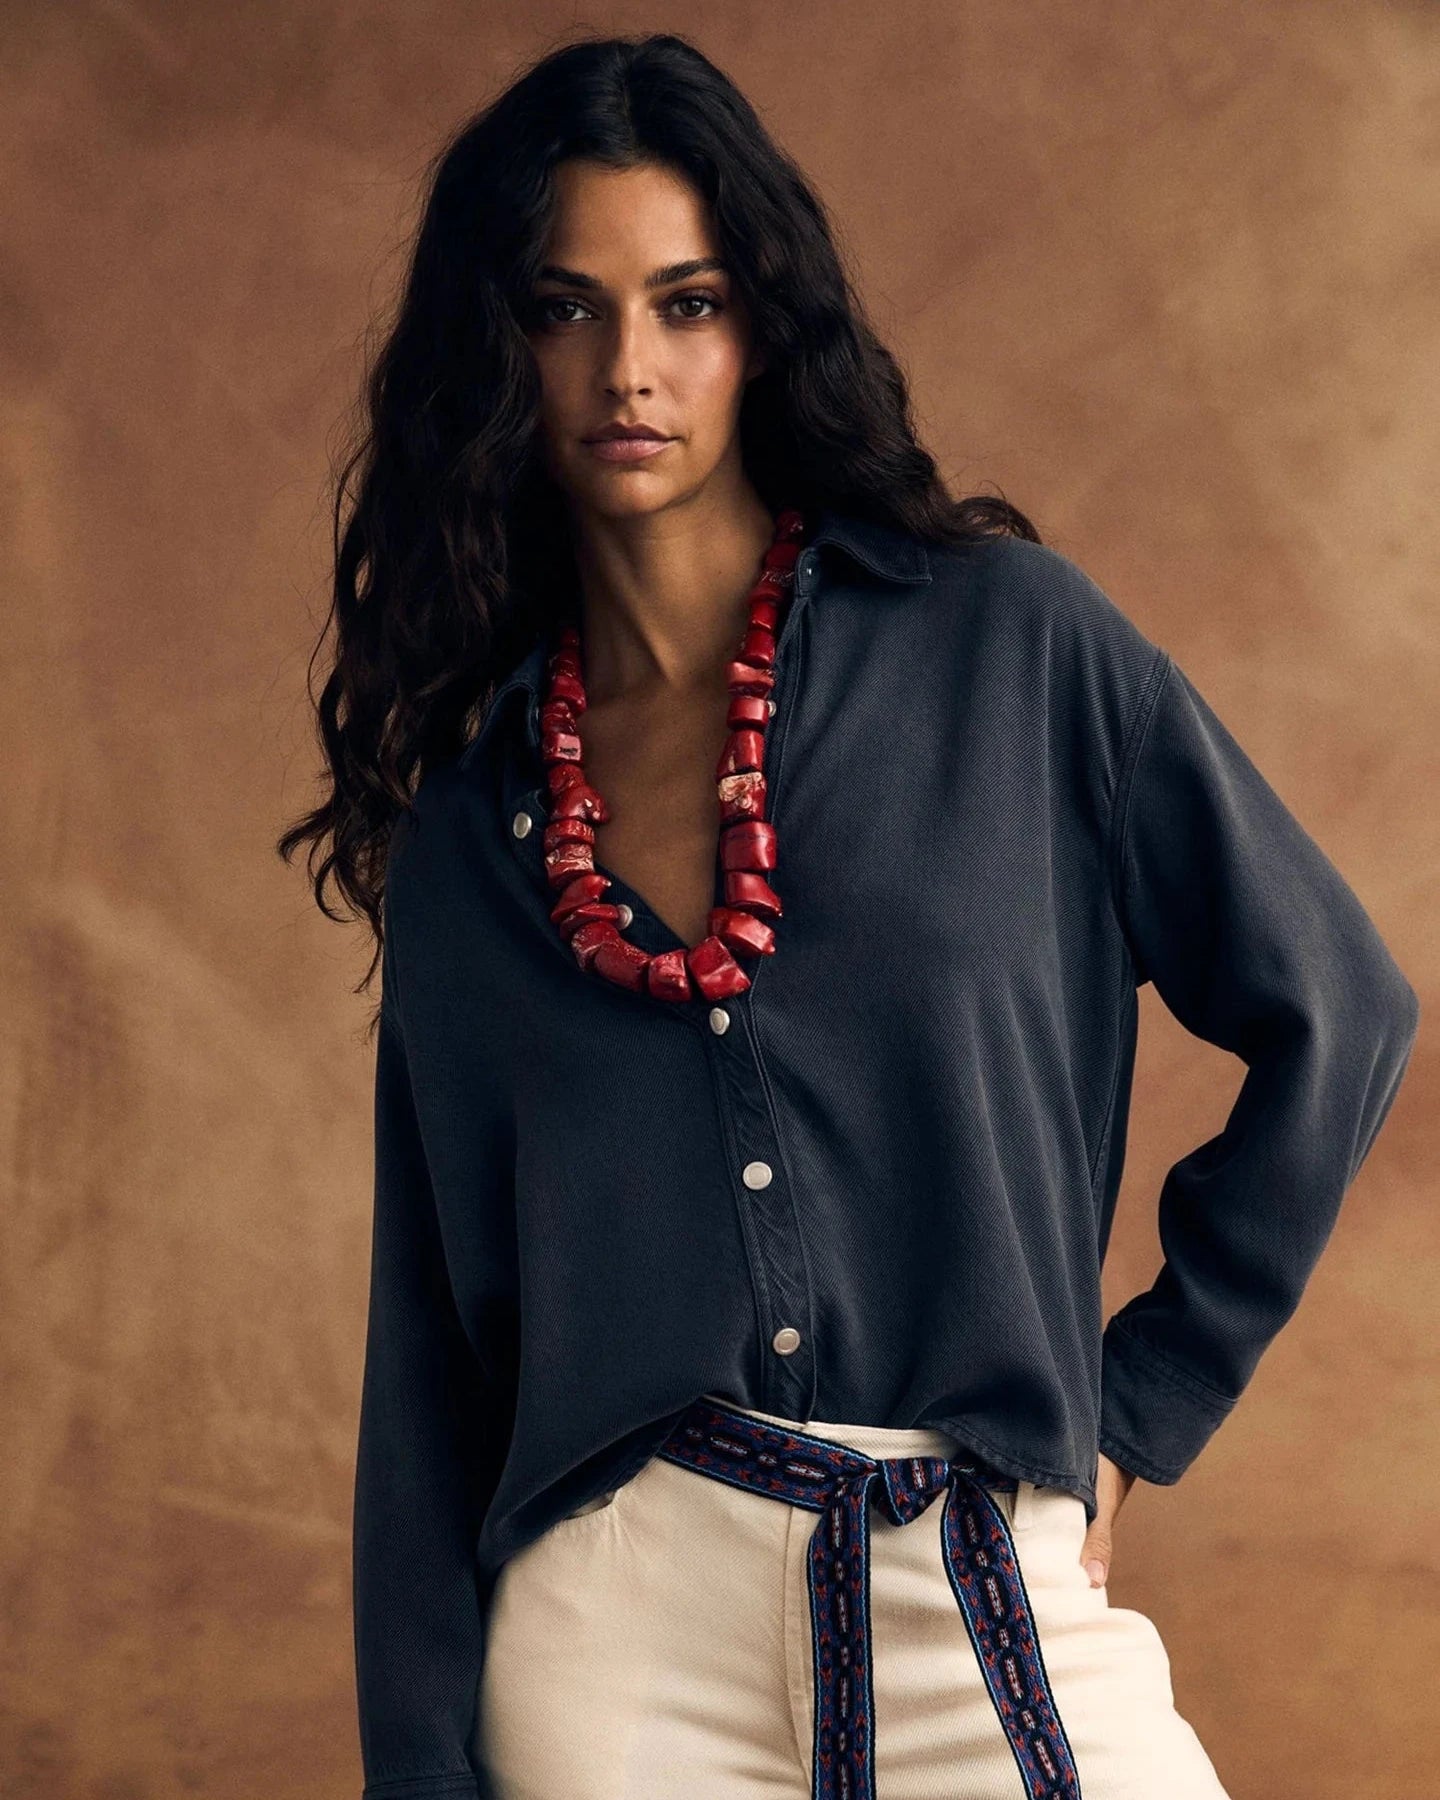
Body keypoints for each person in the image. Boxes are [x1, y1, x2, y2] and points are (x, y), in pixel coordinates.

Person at [277, 32, 1420, 1800]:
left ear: (762, 325)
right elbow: (429, 1385)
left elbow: (1338, 1009)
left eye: (690, 301)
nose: (629, 369)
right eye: (568, 308)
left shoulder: (1011, 649)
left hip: (978, 1574)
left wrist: (1143, 1404)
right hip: (616, 1642)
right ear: (497, 351)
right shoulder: (478, 839)